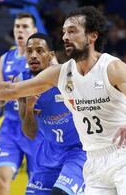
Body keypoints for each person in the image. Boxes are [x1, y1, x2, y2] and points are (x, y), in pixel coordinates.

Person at [0, 6, 126, 195]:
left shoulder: (112, 67)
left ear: (92, 36)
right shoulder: (60, 73)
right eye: (63, 32)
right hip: (95, 161)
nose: (65, 37)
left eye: (72, 31)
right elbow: (9, 89)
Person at [18, 33, 85, 194]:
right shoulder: (22, 82)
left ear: (51, 55)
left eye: (40, 50)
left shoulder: (69, 77)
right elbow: (30, 133)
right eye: (29, 51)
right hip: (49, 151)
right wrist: (29, 107)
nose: (33, 55)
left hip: (78, 150)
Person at [0, 12, 39, 195]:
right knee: (0, 178)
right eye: (17, 26)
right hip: (10, 127)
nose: (20, 30)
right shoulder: (5, 59)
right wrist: (1, 93)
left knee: (38, 186)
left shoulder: (44, 58)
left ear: (34, 30)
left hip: (36, 129)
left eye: (25, 26)